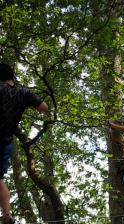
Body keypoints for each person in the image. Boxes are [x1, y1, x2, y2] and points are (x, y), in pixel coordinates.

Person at [0, 63, 48, 223]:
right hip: (5, 140)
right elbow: (44, 107)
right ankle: (6, 216)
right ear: (12, 75)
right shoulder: (24, 93)